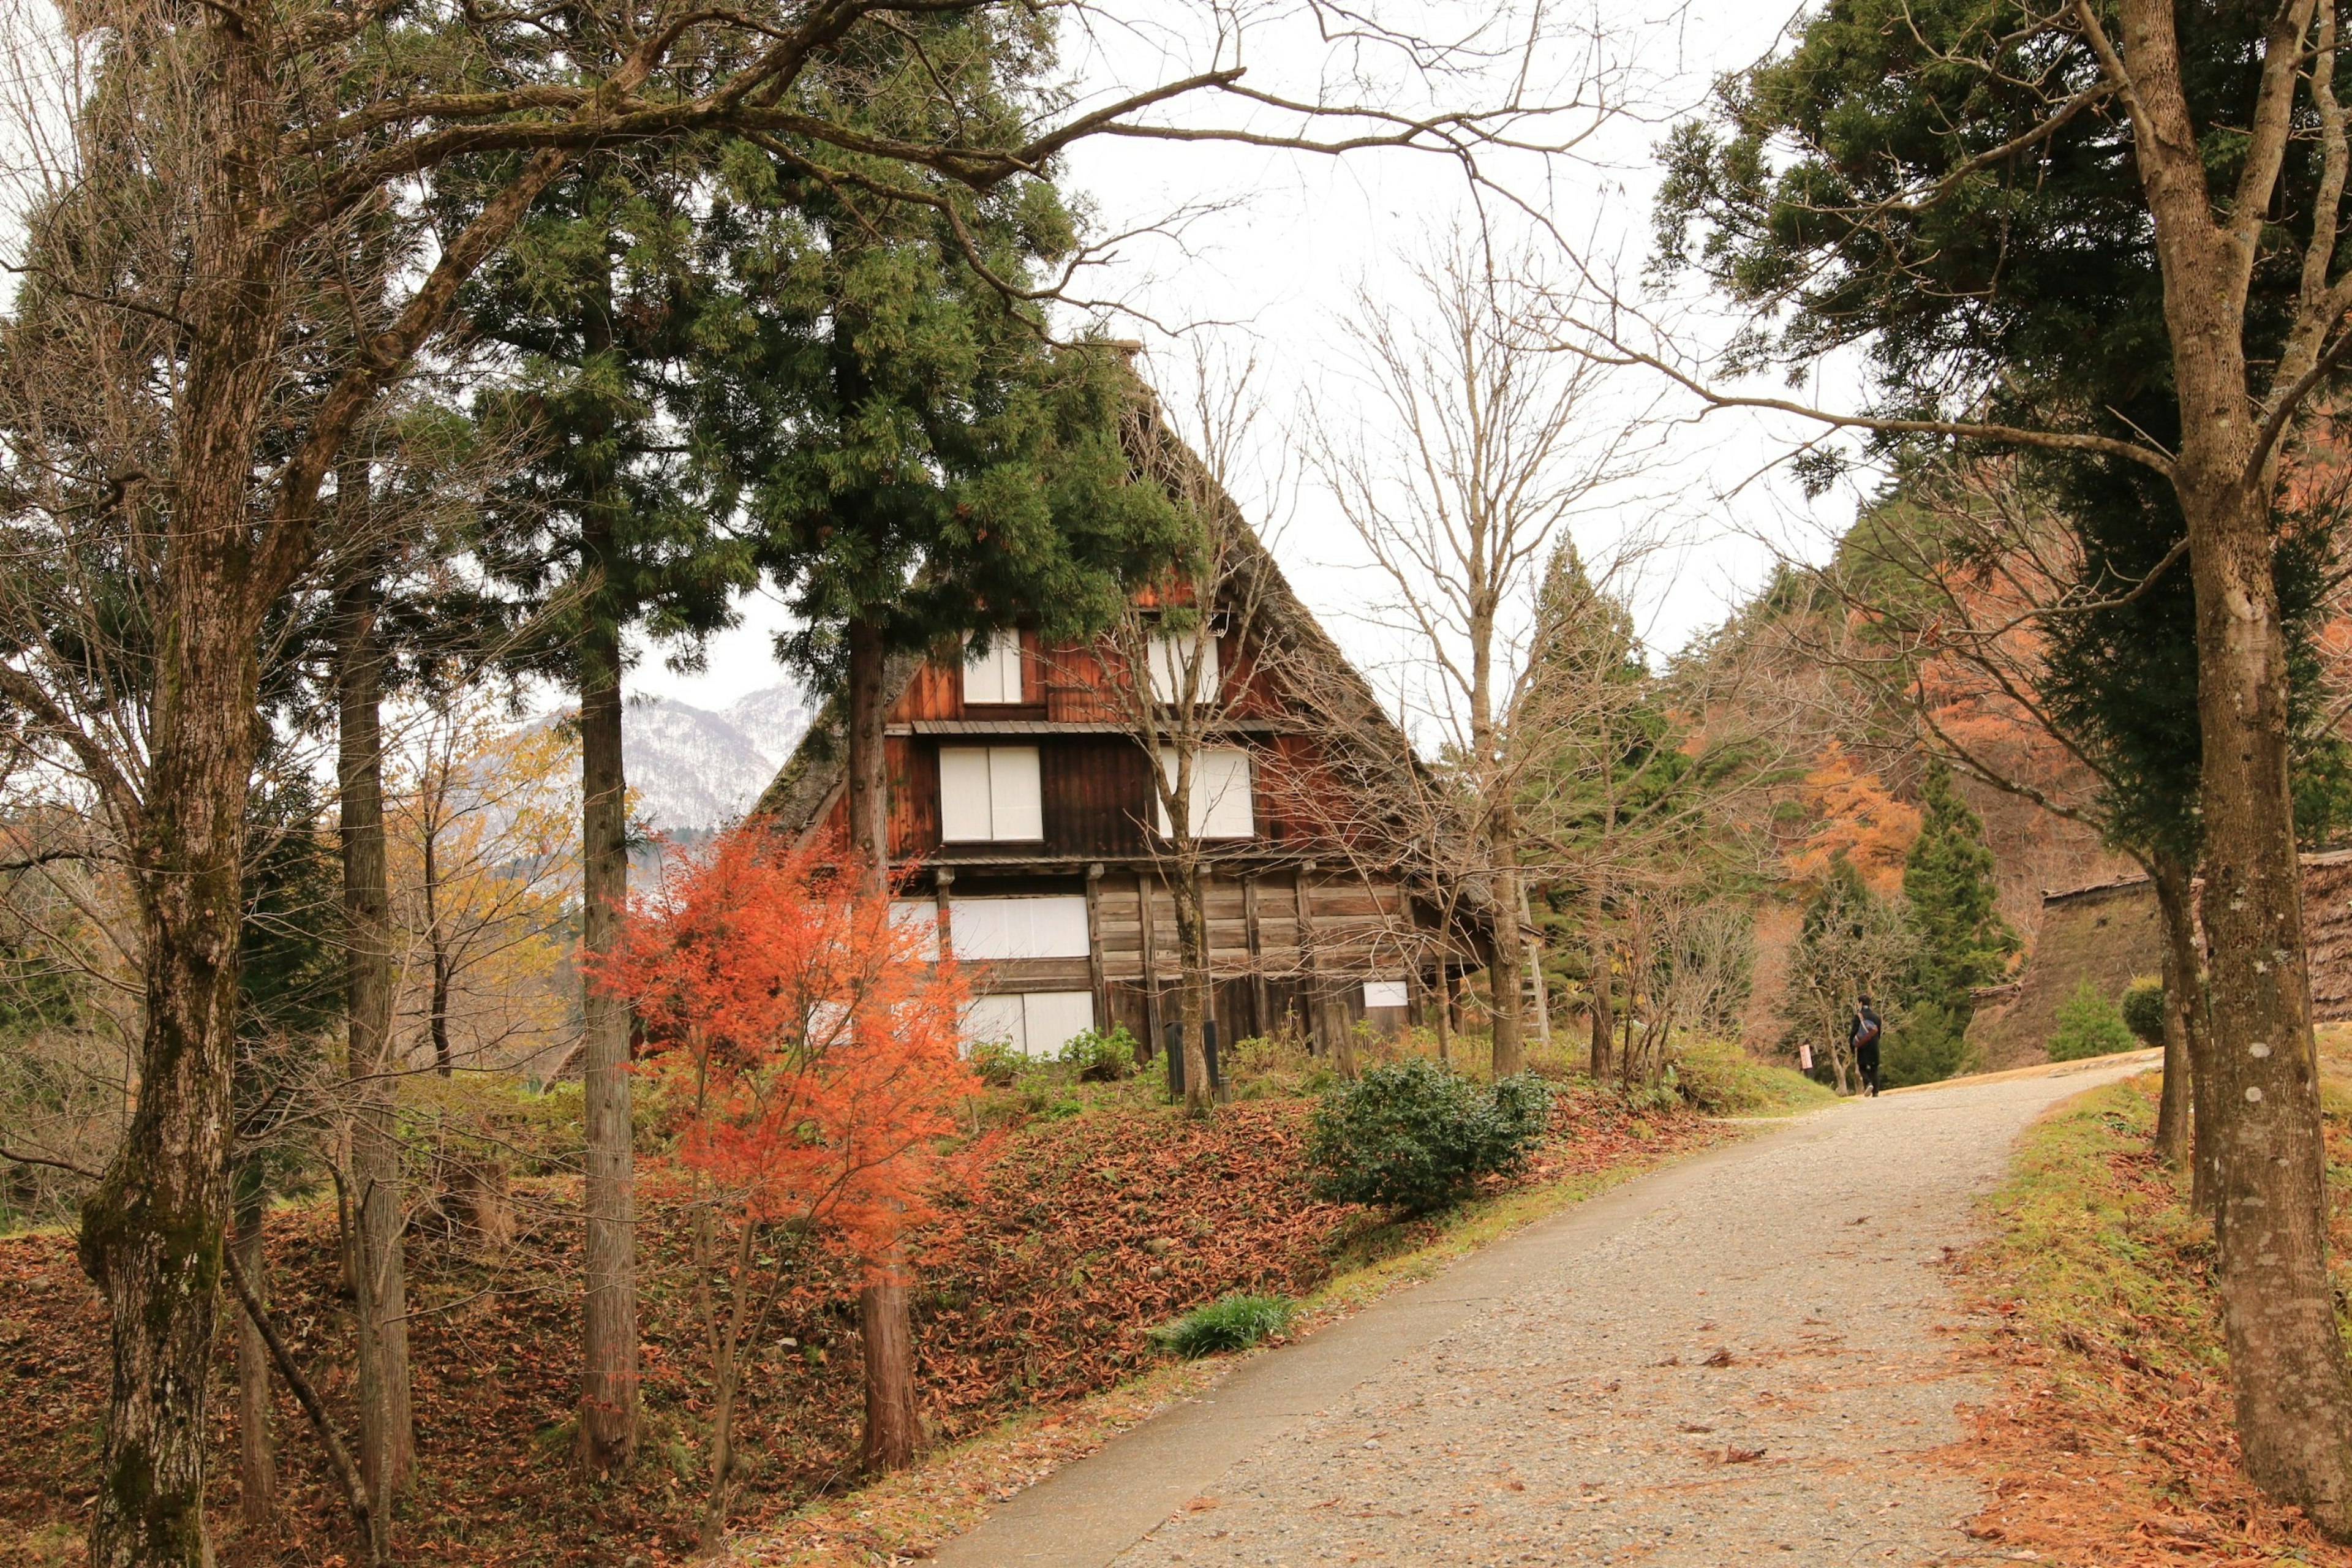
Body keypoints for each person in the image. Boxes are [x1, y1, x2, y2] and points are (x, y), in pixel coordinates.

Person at [1850, 997, 1883, 1097]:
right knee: (1875, 1068)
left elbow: (1853, 1033)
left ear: (1860, 1003)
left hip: (1863, 1046)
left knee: (1862, 1067)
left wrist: (1852, 1046)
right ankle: (1876, 1092)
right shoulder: (1877, 1017)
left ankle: (1868, 1083)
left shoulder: (1858, 1017)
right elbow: (1879, 1034)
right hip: (1874, 1046)